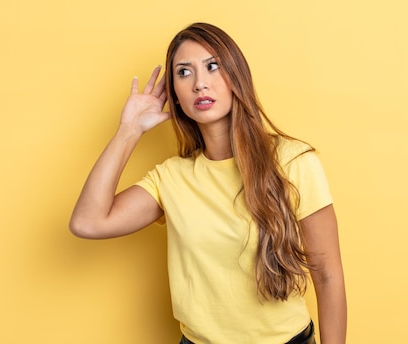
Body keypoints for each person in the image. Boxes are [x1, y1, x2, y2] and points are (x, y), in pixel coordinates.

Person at [69, 22, 346, 344]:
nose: (200, 84)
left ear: (235, 76)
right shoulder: (172, 177)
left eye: (212, 67)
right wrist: (129, 130)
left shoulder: (292, 160)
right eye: (184, 73)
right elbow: (88, 223)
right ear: (174, 94)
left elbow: (327, 275)